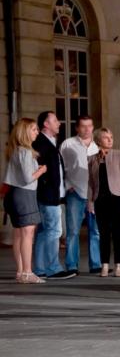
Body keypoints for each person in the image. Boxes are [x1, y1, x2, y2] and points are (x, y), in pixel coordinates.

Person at [3, 118, 48, 283]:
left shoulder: (14, 150)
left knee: (19, 234)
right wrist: (42, 170)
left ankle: (21, 271)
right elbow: (28, 178)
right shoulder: (26, 151)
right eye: (34, 129)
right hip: (24, 195)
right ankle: (28, 272)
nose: (37, 132)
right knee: (27, 234)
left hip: (14, 194)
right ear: (25, 132)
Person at [32, 111, 75, 280]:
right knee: (54, 231)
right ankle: (53, 268)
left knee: (45, 231)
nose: (59, 123)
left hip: (51, 195)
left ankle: (40, 268)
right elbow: (39, 170)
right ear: (46, 124)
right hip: (48, 196)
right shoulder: (42, 143)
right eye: (55, 120)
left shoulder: (50, 142)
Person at [87, 128, 120, 277]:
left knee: (118, 233)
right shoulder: (92, 159)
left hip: (117, 198)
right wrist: (90, 202)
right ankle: (105, 265)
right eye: (106, 137)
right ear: (98, 141)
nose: (110, 140)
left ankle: (119, 265)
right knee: (104, 234)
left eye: (111, 137)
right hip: (100, 200)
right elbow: (91, 183)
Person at [60, 115, 101, 275]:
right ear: (77, 128)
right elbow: (60, 167)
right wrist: (67, 185)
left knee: (95, 231)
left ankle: (95, 264)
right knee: (73, 231)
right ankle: (72, 265)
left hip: (94, 195)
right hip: (75, 192)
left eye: (89, 126)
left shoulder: (97, 146)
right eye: (83, 126)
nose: (87, 129)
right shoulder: (67, 144)